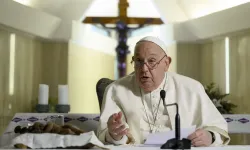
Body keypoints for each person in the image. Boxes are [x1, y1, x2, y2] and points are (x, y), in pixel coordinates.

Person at [97, 36, 230, 147]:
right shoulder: (115, 90)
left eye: (152, 61)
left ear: (166, 63)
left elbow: (217, 128)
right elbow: (108, 137)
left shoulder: (192, 88)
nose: (144, 69)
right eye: (138, 61)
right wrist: (115, 135)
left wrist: (210, 137)